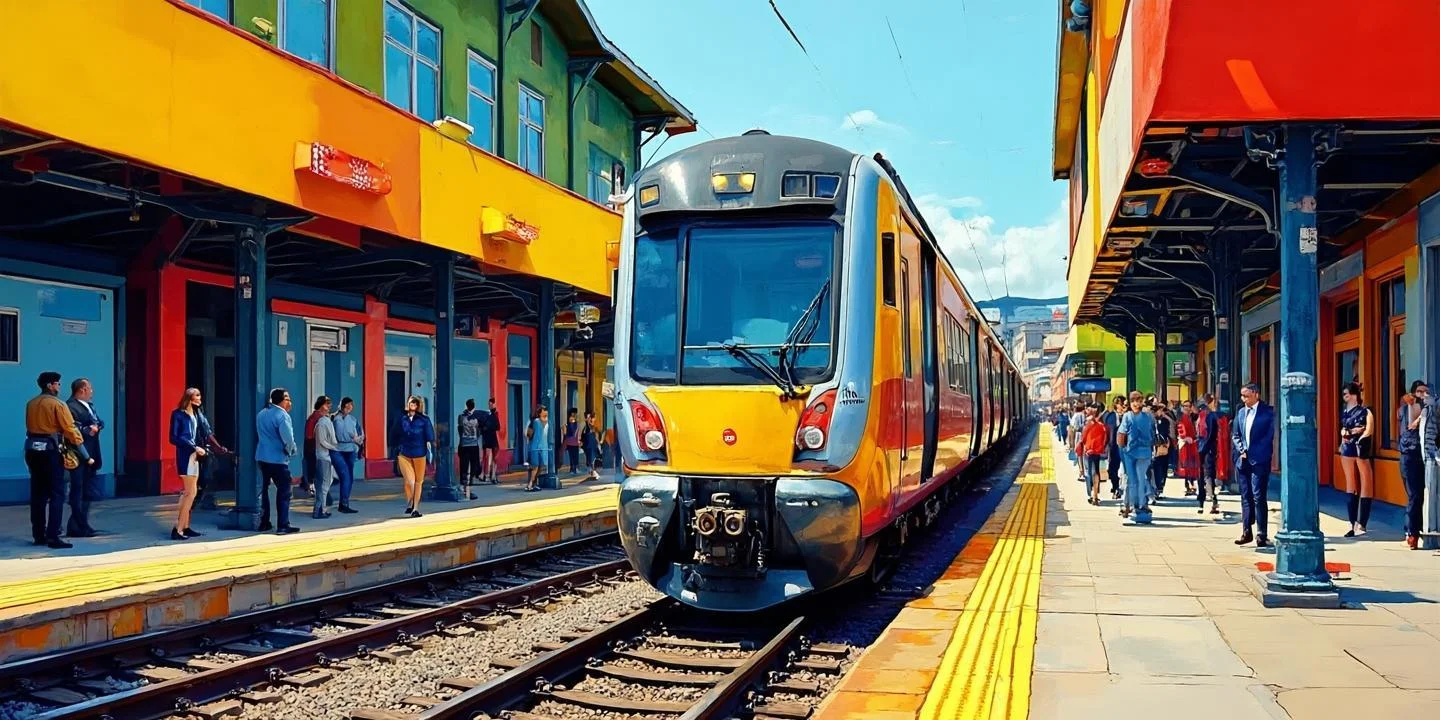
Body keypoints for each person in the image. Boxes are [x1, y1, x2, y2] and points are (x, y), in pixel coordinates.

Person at [26, 372, 87, 549]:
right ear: (50, 385)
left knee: (38, 493)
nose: (59, 387)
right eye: (57, 384)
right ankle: (53, 536)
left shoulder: (31, 403)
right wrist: (82, 449)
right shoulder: (57, 404)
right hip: (51, 450)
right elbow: (69, 428)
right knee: (56, 493)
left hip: (32, 449)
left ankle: (38, 534)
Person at [1232, 383, 1275, 547]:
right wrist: (1241, 449)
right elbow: (1236, 434)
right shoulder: (1241, 412)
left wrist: (1254, 452)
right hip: (1243, 460)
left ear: (1256, 394)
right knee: (1245, 496)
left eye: (1247, 396)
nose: (1244, 399)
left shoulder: (1267, 412)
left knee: (1258, 496)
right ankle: (1246, 531)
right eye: (1242, 396)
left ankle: (1261, 534)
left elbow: (1268, 436)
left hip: (1259, 460)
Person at [256, 388, 300, 534]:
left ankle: (264, 522)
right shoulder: (282, 416)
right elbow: (288, 438)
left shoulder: (262, 414)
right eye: (287, 398)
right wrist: (292, 450)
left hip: (262, 457)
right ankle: (283, 524)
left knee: (264, 491)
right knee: (284, 491)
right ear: (281, 400)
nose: (290, 401)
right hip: (278, 459)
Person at [167, 388, 208, 540]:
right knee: (189, 493)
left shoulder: (196, 415)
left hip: (195, 456)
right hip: (186, 456)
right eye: (197, 395)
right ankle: (178, 529)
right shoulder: (178, 414)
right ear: (190, 398)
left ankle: (185, 526)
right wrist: (194, 447)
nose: (200, 398)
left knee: (192, 493)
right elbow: (173, 437)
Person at [65, 378, 104, 537]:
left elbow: (98, 421)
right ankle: (78, 526)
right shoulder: (70, 406)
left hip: (92, 453)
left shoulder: (90, 406)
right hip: (79, 454)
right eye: (90, 388)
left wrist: (98, 426)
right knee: (78, 490)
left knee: (88, 492)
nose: (92, 391)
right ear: (82, 390)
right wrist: (88, 429)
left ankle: (80, 524)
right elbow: (71, 428)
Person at [1338, 382, 1375, 537]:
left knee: (1363, 482)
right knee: (1353, 483)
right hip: (1350, 447)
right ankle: (1354, 522)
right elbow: (1344, 429)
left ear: (1354, 394)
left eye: (1346, 393)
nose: (1344, 396)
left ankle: (1360, 523)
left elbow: (1368, 430)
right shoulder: (1346, 411)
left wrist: (1353, 434)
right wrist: (1351, 432)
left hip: (1357, 447)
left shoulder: (1364, 411)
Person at [1116, 391, 1156, 523]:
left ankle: (1135, 505)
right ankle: (1139, 504)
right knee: (1139, 478)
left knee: (1134, 479)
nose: (1136, 403)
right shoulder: (1148, 416)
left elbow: (1121, 433)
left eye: (1138, 400)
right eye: (1134, 401)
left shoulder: (1129, 416)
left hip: (1132, 451)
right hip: (1142, 451)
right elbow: (1152, 433)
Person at [392, 395, 434, 518]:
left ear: (418, 406)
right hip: (404, 452)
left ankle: (415, 508)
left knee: (418, 482)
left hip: (419, 453)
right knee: (409, 481)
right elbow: (394, 433)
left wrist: (431, 449)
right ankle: (410, 502)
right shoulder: (402, 418)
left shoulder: (424, 420)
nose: (413, 405)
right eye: (411, 403)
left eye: (415, 403)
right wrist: (395, 447)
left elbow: (430, 436)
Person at [1398, 381, 1429, 549]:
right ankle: (1411, 533)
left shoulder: (1429, 410)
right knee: (1415, 496)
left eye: (1425, 392)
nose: (1422, 394)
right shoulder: (1407, 409)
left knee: (1422, 496)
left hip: (1425, 456)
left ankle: (1416, 530)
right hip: (1410, 456)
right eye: (1419, 391)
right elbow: (1409, 427)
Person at [330, 397, 363, 513]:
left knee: (349, 477)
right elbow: (336, 435)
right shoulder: (335, 419)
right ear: (342, 406)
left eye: (351, 405)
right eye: (347, 405)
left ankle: (345, 502)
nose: (349, 407)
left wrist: (358, 440)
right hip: (338, 450)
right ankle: (343, 504)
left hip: (351, 450)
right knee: (345, 476)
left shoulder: (353, 419)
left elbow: (360, 433)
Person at [1194, 394, 1221, 515]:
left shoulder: (1200, 417)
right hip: (1209, 449)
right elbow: (1212, 435)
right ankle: (1212, 498)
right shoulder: (1212, 416)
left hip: (1200, 447)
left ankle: (1201, 501)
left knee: (1201, 474)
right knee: (1209, 474)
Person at [313, 397, 337, 519]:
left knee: (325, 484)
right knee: (323, 485)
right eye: (327, 404)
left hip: (325, 456)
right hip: (323, 456)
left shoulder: (324, 421)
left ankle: (321, 508)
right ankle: (320, 509)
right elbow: (322, 441)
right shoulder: (322, 423)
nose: (329, 407)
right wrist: (334, 447)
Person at [1081, 402, 1109, 505]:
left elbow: (1083, 437)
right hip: (1098, 450)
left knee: (1089, 472)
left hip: (1088, 450)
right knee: (1096, 471)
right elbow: (1106, 438)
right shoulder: (1103, 425)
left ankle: (1092, 494)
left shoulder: (1088, 423)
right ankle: (1095, 495)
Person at [300, 397, 327, 497]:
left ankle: (309, 485)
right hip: (313, 447)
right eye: (327, 404)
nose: (329, 406)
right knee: (314, 469)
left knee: (312, 468)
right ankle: (311, 487)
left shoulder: (317, 417)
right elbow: (310, 435)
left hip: (312, 447)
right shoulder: (316, 418)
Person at [1175, 400, 1200, 499]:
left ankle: (1192, 485)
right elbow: (1180, 429)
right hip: (1186, 445)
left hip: (1192, 444)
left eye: (1188, 406)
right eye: (1185, 406)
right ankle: (1188, 486)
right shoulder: (1182, 418)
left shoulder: (1191, 417)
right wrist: (1185, 438)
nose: (1187, 408)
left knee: (1192, 465)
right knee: (1186, 465)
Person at [457, 399, 481, 499]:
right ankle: (469, 485)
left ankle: (464, 485)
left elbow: (459, 429)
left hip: (464, 444)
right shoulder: (477, 417)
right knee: (473, 465)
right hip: (474, 444)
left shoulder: (461, 417)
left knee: (464, 465)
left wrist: (463, 438)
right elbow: (479, 431)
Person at [1150, 401, 1173, 501]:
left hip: (1165, 446)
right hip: (1156, 447)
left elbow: (1168, 431)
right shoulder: (1152, 421)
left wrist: (1168, 441)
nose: (1162, 412)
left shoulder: (1166, 421)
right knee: (1157, 468)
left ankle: (1160, 487)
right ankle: (1157, 488)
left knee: (1164, 468)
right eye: (1160, 410)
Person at [525, 405, 551, 492]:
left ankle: (534, 483)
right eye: (544, 411)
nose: (545, 412)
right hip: (534, 448)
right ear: (539, 413)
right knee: (535, 467)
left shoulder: (546, 422)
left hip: (542, 448)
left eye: (546, 411)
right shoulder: (536, 422)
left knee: (540, 467)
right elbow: (528, 434)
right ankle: (530, 485)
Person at [1103, 396, 1124, 500]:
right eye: (1121, 404)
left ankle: (1120, 489)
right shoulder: (1110, 416)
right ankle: (1115, 486)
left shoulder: (1128, 416)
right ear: (1116, 405)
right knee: (1112, 469)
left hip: (1125, 447)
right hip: (1113, 447)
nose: (1123, 407)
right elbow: (1107, 432)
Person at [481, 397, 501, 484]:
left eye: (491, 404)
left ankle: (492, 475)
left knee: (494, 457)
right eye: (489, 404)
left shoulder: (495, 414)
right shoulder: (487, 414)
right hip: (488, 438)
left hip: (492, 437)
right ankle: (486, 475)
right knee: (487, 457)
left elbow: (498, 427)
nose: (490, 406)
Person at [581, 410, 602, 481]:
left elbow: (596, 436)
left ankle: (593, 472)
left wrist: (598, 444)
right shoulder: (587, 428)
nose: (593, 419)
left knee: (592, 459)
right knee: (590, 459)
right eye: (591, 418)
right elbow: (584, 437)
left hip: (592, 445)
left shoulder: (593, 427)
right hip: (589, 445)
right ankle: (593, 472)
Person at [563, 408, 581, 476]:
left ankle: (573, 468)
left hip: (570, 441)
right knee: (574, 456)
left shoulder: (570, 422)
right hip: (573, 441)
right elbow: (575, 432)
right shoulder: (574, 422)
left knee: (572, 456)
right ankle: (574, 468)